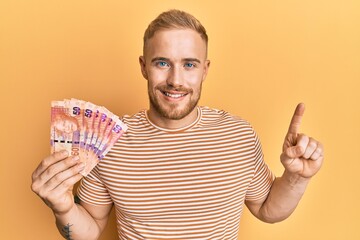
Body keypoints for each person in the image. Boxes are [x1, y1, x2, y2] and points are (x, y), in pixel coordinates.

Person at [31, 9, 324, 240]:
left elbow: (268, 209)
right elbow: (92, 229)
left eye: (189, 64)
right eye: (162, 63)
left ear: (205, 69)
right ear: (143, 66)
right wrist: (64, 208)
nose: (175, 80)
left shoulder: (239, 136)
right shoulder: (111, 141)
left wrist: (297, 177)